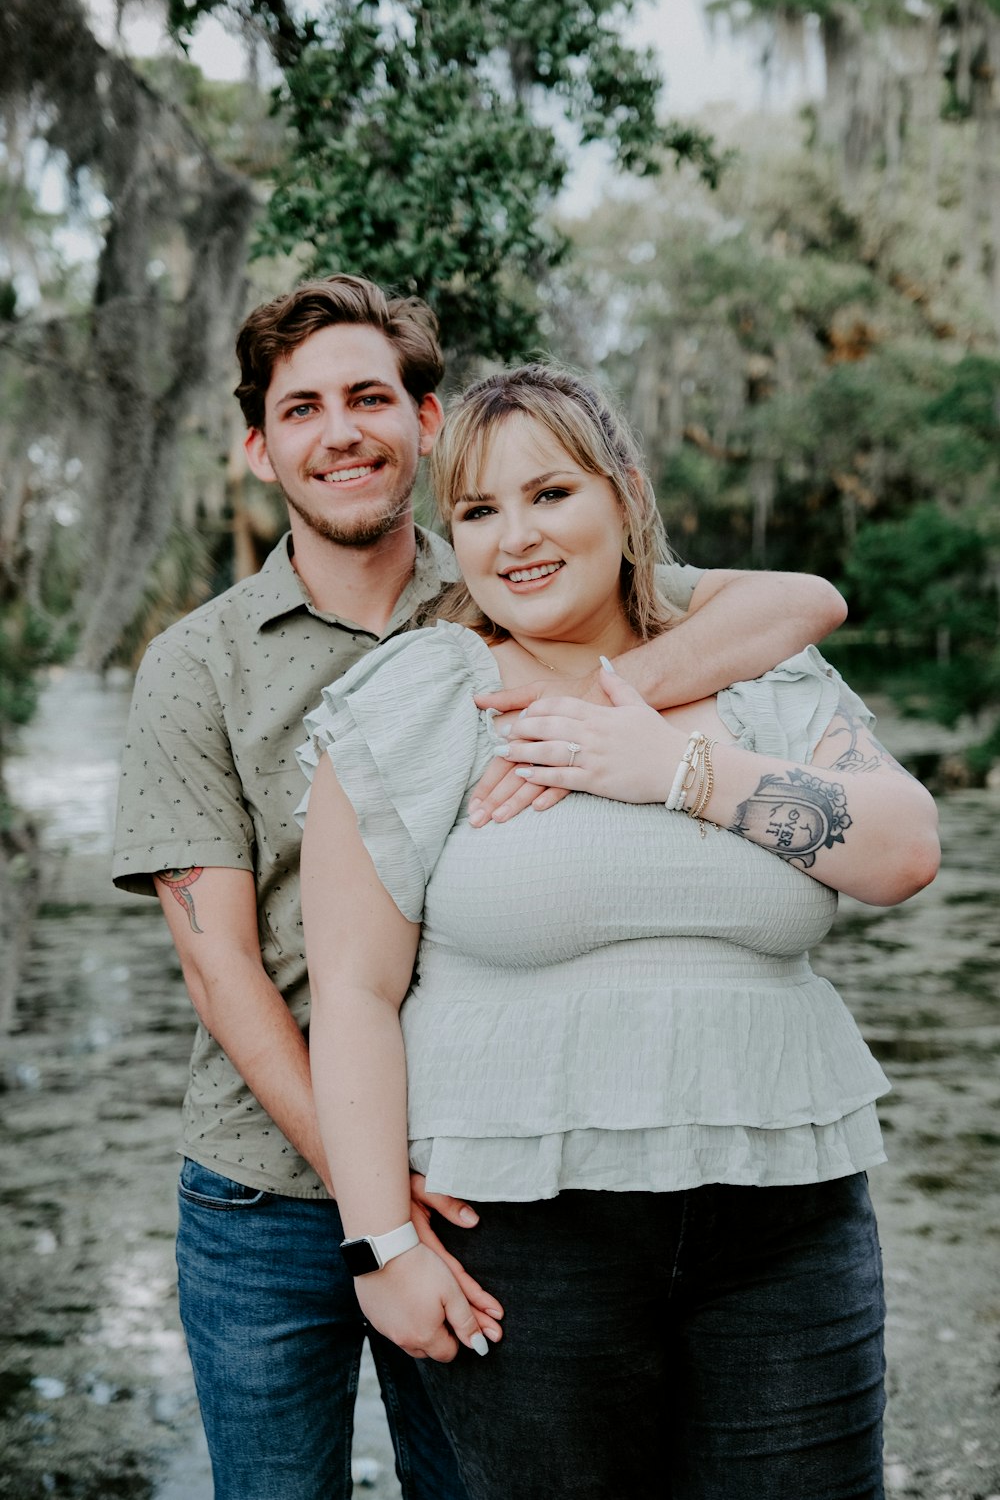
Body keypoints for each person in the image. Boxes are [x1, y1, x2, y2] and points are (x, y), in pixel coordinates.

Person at [112, 274, 849, 1500]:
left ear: (423, 420)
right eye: (300, 410)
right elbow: (219, 960)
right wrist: (374, 1200)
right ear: (257, 448)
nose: (339, 430)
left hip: (483, 1164)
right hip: (269, 1183)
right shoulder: (198, 663)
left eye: (367, 398)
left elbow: (802, 602)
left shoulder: (521, 574)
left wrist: (596, 699)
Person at [297, 363, 940, 1500]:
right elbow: (349, 990)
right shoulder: (419, 701)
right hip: (528, 1239)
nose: (516, 538)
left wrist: (675, 768)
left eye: (550, 494)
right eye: (479, 512)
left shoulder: (762, 677)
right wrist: (381, 1247)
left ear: (625, 497)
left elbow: (898, 849)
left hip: (785, 1218)